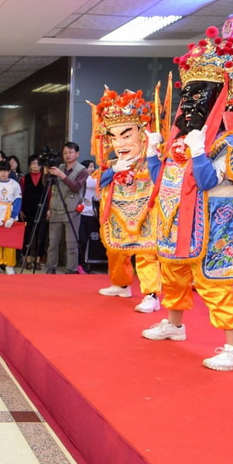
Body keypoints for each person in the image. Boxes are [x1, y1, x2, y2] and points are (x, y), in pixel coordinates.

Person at [144, 29, 233, 372]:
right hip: (176, 227)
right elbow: (161, 179)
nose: (189, 105)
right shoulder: (182, 141)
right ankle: (174, 324)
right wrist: (151, 151)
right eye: (185, 97)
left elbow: (205, 181)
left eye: (199, 97)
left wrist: (199, 151)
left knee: (213, 285)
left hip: (212, 232)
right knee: (172, 274)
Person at [92, 88, 163, 312]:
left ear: (142, 134)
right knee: (115, 250)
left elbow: (161, 181)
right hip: (117, 215)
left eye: (126, 135)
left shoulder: (152, 159)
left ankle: (151, 293)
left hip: (145, 214)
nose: (119, 144)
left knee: (145, 252)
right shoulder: (113, 163)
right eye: (114, 137)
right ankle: (121, 283)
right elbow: (99, 183)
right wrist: (114, 171)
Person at [43, 142, 87, 273]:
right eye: (65, 153)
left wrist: (62, 175)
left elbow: (76, 187)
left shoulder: (82, 171)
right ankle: (51, 267)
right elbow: (46, 185)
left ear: (77, 154)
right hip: (56, 208)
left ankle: (72, 269)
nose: (67, 155)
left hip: (72, 210)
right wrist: (46, 173)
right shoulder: (59, 167)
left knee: (71, 244)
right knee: (53, 243)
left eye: (70, 152)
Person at [0, 161, 22, 274]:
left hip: (10, 215)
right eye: (1, 170)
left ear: (9, 171)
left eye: (6, 171)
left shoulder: (15, 185)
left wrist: (12, 217)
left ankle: (9, 264)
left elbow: (17, 201)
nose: (3, 173)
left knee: (10, 242)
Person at [20, 155, 47, 269]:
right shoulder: (24, 178)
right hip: (27, 210)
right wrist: (20, 210)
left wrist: (49, 209)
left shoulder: (46, 177)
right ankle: (28, 260)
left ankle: (38, 260)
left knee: (41, 235)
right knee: (27, 235)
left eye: (38, 163)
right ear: (29, 165)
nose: (36, 165)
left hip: (42, 210)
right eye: (33, 163)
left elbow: (50, 194)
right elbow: (20, 195)